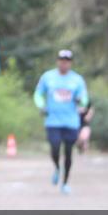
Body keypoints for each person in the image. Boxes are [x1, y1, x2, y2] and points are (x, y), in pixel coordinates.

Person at [34, 49, 89, 195]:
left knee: (69, 152)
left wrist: (80, 101)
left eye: (67, 61)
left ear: (70, 63)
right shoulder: (48, 77)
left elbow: (85, 98)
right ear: (58, 61)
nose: (64, 63)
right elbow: (38, 94)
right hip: (53, 121)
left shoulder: (77, 79)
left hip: (71, 122)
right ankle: (57, 168)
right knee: (55, 147)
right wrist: (41, 106)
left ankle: (64, 183)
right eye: (61, 60)